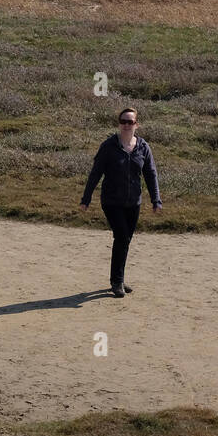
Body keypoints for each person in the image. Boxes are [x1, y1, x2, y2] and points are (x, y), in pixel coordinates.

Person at [79, 107, 162, 297]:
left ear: (136, 125)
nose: (126, 125)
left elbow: (151, 174)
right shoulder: (108, 146)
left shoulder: (143, 147)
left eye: (130, 122)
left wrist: (156, 199)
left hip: (134, 202)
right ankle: (116, 282)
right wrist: (86, 198)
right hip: (111, 201)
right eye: (123, 121)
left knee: (125, 240)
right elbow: (95, 174)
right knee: (122, 237)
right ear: (119, 124)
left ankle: (119, 279)